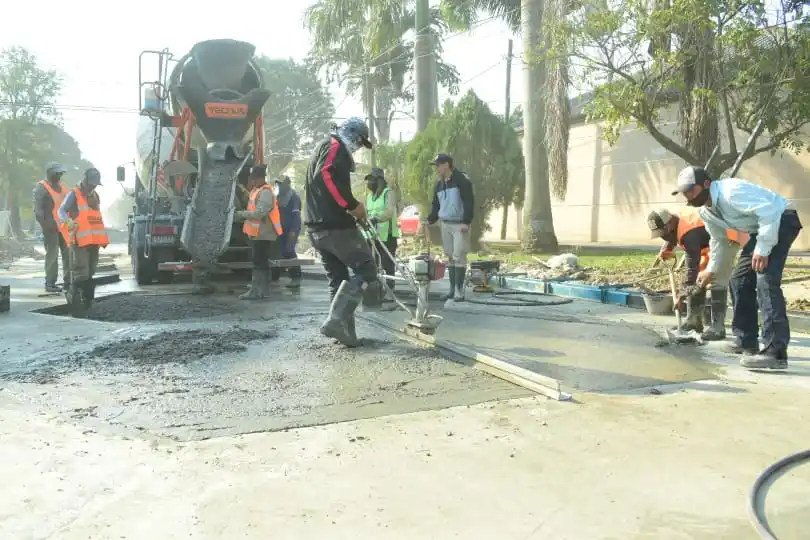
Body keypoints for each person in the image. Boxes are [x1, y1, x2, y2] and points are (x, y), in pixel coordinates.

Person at [672, 166, 803, 370]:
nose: (687, 196)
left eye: (691, 190)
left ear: (706, 184)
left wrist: (763, 248)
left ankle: (775, 352)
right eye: (684, 192)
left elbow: (768, 210)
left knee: (765, 280)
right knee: (739, 280)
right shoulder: (706, 212)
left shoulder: (731, 191)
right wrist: (710, 271)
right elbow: (718, 240)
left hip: (782, 219)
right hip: (761, 229)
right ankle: (746, 339)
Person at [305, 116, 382, 347]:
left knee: (338, 280)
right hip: (334, 227)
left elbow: (325, 183)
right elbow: (326, 177)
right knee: (367, 269)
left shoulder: (324, 147)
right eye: (359, 141)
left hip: (318, 228)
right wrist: (351, 205)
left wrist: (350, 209)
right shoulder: (335, 146)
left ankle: (346, 334)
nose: (358, 147)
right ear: (350, 134)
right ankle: (337, 322)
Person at [647, 207, 748, 340]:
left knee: (715, 277)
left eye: (663, 233)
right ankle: (694, 321)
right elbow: (671, 236)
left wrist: (682, 295)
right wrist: (668, 247)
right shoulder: (678, 224)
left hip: (729, 237)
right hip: (712, 240)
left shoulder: (689, 233)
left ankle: (718, 327)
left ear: (670, 222)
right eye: (660, 235)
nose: (663, 237)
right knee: (700, 276)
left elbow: (691, 268)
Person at [426, 153, 474, 301]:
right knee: (450, 256)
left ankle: (459, 290)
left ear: (446, 164)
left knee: (459, 256)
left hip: (460, 224)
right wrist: (429, 220)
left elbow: (468, 200)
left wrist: (467, 221)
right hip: (445, 224)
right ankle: (452, 289)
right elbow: (436, 206)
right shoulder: (439, 185)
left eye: (438, 165)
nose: (436, 169)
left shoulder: (461, 180)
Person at [58, 168, 109, 295]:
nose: (93, 186)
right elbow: (61, 211)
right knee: (82, 270)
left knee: (91, 270)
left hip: (94, 241)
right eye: (91, 183)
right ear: (85, 181)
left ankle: (87, 299)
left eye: (95, 184)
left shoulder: (95, 196)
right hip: (80, 240)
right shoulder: (74, 194)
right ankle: (76, 297)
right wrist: (68, 221)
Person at [236, 164, 283, 300]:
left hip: (264, 233)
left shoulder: (266, 192)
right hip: (258, 233)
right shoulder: (257, 190)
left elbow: (259, 213)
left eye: (254, 179)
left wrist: (240, 214)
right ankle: (260, 290)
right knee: (259, 261)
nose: (252, 182)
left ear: (260, 178)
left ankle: (258, 291)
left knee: (260, 262)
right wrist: (239, 187)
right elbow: (249, 199)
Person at [32, 162, 70, 293]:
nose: (59, 175)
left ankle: (68, 283)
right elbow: (38, 211)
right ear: (50, 173)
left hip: (64, 227)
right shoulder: (41, 187)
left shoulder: (63, 187)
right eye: (57, 173)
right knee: (52, 256)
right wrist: (45, 226)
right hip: (50, 228)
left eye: (61, 173)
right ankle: (50, 284)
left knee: (68, 255)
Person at [364, 167, 400, 293]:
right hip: (372, 235)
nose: (369, 183)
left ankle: (390, 289)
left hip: (387, 234)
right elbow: (366, 213)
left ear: (379, 180)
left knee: (387, 263)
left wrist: (376, 219)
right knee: (373, 264)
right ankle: (377, 289)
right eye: (368, 180)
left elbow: (389, 212)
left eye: (372, 180)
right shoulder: (369, 197)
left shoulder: (388, 193)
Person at [270, 175, 303, 289]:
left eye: (281, 183)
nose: (279, 186)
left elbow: (296, 216)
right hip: (280, 229)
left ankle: (296, 278)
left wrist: (293, 231)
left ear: (287, 183)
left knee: (289, 251)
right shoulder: (279, 196)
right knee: (279, 252)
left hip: (290, 230)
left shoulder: (293, 197)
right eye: (278, 184)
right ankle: (274, 276)